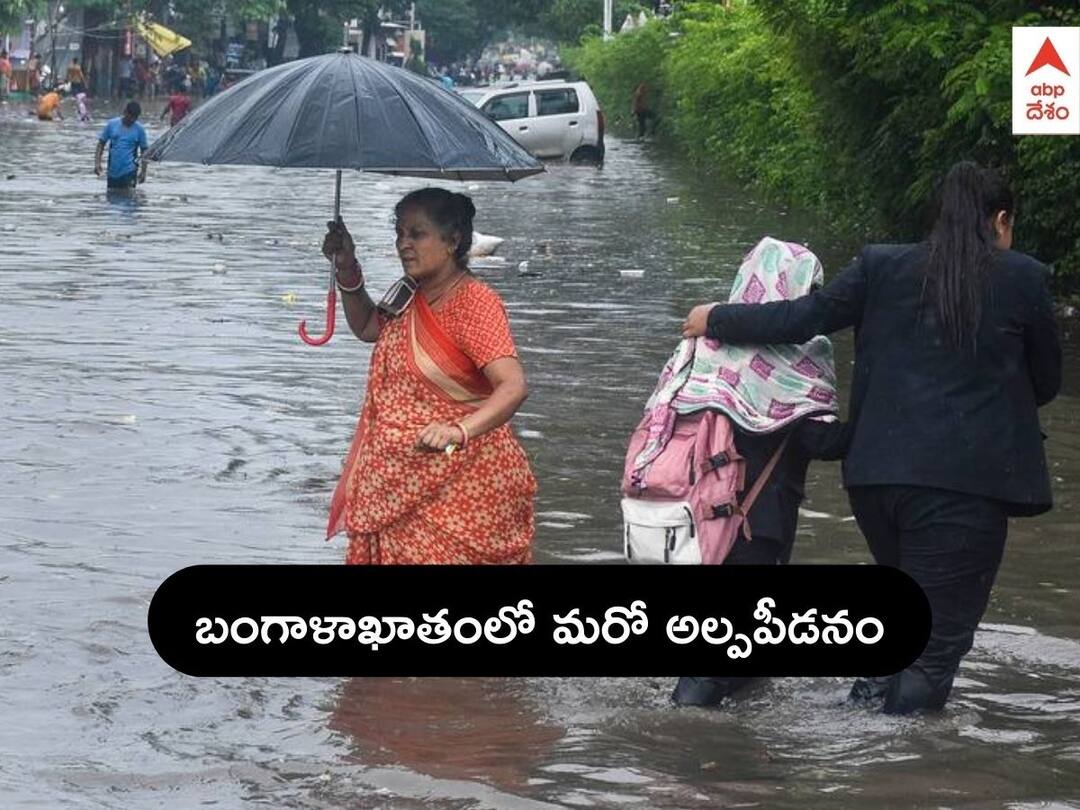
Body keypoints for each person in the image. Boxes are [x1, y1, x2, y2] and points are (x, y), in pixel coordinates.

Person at [682, 161, 1062, 715]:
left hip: (876, 480)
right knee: (935, 651)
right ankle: (892, 774)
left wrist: (716, 317)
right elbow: (1048, 382)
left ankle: (855, 727)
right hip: (965, 490)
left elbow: (801, 317)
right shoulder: (1023, 277)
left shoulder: (881, 266)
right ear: (1001, 220)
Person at [631, 238, 851, 707]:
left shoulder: (701, 348)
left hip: (691, 517)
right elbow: (822, 442)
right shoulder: (798, 363)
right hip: (754, 525)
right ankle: (686, 738)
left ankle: (712, 747)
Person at [324, 188, 537, 564]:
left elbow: (513, 386)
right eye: (400, 233)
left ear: (453, 240)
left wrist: (459, 431)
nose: (403, 244)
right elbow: (369, 327)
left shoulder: (474, 303)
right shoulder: (409, 294)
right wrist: (346, 265)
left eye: (416, 234)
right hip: (394, 488)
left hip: (464, 491)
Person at [94, 100, 149, 190]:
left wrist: (143, 172)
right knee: (112, 197)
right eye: (130, 117)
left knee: (128, 198)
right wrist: (97, 163)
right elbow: (101, 144)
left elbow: (145, 151)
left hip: (130, 171)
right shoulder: (112, 125)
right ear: (125, 112)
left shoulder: (139, 130)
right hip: (112, 171)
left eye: (134, 118)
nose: (131, 120)